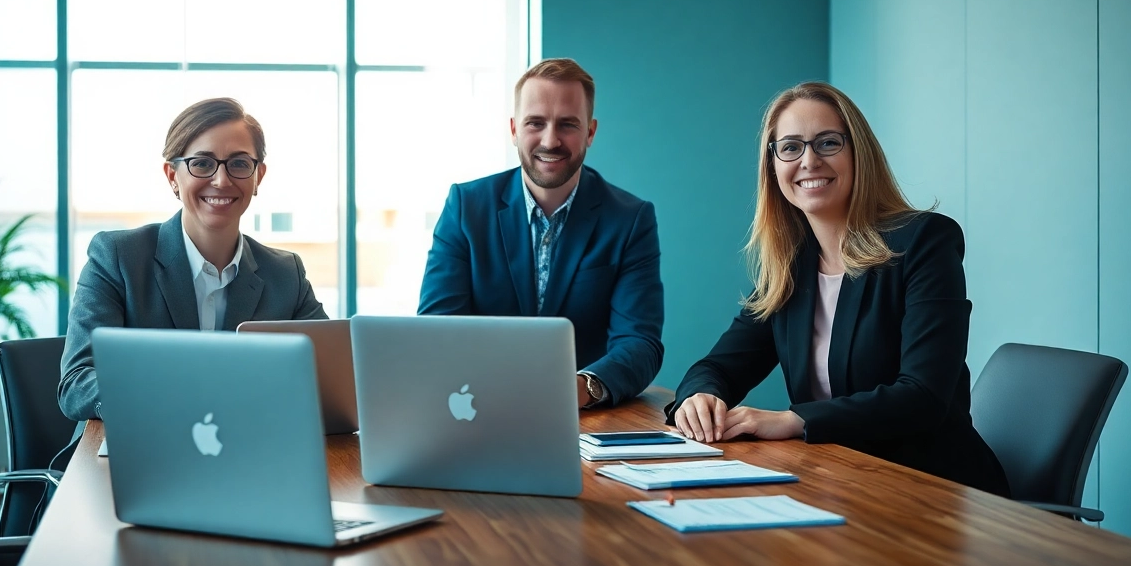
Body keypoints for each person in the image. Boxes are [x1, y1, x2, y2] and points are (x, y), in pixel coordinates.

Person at [668, 81, 1009, 496]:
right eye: (790, 147)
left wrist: (795, 419)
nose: (809, 160)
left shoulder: (924, 242)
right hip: (840, 482)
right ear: (773, 166)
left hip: (931, 489)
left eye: (828, 143)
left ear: (858, 153)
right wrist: (699, 397)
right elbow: (718, 367)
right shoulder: (792, 267)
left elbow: (923, 397)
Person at [58, 97, 327, 421]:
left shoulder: (286, 274)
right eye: (201, 163)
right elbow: (77, 384)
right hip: (139, 437)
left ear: (259, 175)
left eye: (239, 163)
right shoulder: (118, 257)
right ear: (172, 175)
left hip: (250, 440)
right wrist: (173, 396)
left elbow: (331, 374)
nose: (222, 180)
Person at [418, 58, 664, 409]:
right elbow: (435, 331)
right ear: (514, 129)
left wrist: (580, 387)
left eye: (567, 124)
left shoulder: (630, 219)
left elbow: (640, 343)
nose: (550, 140)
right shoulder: (465, 207)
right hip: (475, 409)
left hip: (580, 416)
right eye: (536, 123)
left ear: (590, 132)